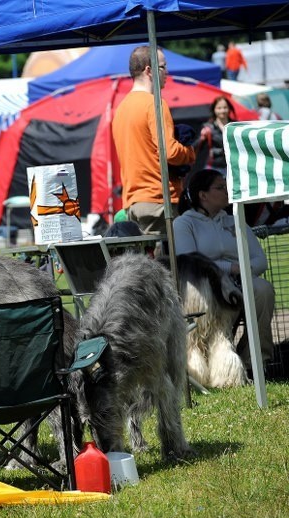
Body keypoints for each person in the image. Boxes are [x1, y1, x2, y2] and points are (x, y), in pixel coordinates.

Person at [174, 169, 274, 365]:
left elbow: (260, 260)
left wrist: (241, 270)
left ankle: (256, 362)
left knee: (263, 289)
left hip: (240, 281)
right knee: (226, 297)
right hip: (204, 288)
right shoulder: (184, 224)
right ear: (202, 195)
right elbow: (189, 263)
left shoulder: (235, 220)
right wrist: (230, 268)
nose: (228, 190)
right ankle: (217, 362)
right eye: (220, 187)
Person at [111, 45, 196, 235]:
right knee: (169, 263)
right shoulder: (154, 103)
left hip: (134, 203)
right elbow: (171, 152)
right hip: (160, 201)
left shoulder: (121, 109)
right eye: (163, 67)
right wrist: (189, 153)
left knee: (149, 263)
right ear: (149, 70)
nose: (167, 73)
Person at [195, 96, 238, 176]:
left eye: (225, 107)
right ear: (214, 110)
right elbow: (196, 148)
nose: (222, 111)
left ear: (229, 109)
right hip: (215, 167)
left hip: (233, 167)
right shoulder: (208, 126)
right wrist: (202, 137)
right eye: (219, 108)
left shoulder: (235, 126)